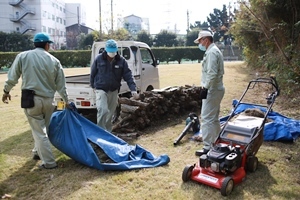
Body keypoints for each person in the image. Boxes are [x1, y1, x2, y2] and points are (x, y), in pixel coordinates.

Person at [2, 32, 69, 169]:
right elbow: (61, 85)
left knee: (39, 131)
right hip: (49, 101)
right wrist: (66, 101)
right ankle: (37, 153)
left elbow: (13, 76)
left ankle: (49, 163)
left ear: (34, 44)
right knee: (42, 129)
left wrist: (6, 91)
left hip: (31, 100)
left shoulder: (23, 56)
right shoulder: (54, 61)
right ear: (47, 45)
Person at [90, 39, 138, 132]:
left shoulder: (121, 61)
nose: (112, 54)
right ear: (106, 50)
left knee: (110, 113)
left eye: (113, 51)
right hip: (101, 89)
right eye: (110, 52)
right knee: (103, 110)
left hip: (114, 90)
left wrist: (133, 89)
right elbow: (93, 73)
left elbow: (128, 75)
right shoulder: (99, 59)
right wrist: (93, 86)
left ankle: (108, 133)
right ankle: (100, 132)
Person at [194, 30, 225, 156]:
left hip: (212, 89)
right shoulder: (214, 51)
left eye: (200, 41)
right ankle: (216, 142)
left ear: (206, 40)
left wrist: (205, 88)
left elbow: (212, 73)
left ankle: (207, 147)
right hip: (217, 88)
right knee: (214, 118)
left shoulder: (212, 52)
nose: (200, 43)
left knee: (206, 118)